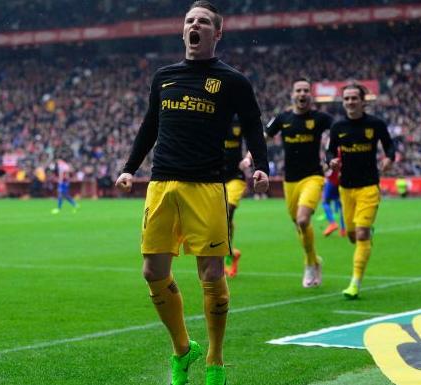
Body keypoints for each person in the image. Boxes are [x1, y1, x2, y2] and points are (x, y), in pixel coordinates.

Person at [115, 2, 269, 384]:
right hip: (162, 183)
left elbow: (253, 124)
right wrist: (128, 168)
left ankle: (215, 361)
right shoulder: (164, 77)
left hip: (206, 185)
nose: (194, 25)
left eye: (203, 21)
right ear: (182, 31)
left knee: (212, 273)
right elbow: (150, 125)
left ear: (217, 33)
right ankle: (183, 350)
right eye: (189, 20)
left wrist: (262, 165)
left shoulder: (233, 80)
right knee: (152, 271)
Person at [327, 84, 395, 300]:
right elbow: (329, 151)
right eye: (346, 98)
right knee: (352, 236)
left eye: (354, 98)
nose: (350, 102)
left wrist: (388, 159)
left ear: (363, 101)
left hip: (369, 187)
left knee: (362, 233)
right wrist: (332, 161)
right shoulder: (338, 127)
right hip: (346, 188)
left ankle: (355, 283)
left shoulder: (375, 124)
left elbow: (390, 146)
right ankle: (365, 235)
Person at [265, 78, 332, 288]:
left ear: (310, 95)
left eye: (305, 90)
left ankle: (310, 266)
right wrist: (250, 157)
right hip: (290, 181)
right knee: (299, 225)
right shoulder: (283, 118)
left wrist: (332, 156)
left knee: (303, 220)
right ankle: (314, 261)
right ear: (292, 95)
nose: (302, 94)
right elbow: (264, 137)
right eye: (298, 91)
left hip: (313, 176)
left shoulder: (320, 118)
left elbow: (339, 131)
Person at [223, 120, 253, 278]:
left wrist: (248, 158)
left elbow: (255, 139)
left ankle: (227, 257)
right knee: (220, 218)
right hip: (216, 176)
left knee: (228, 211)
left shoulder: (238, 119)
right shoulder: (210, 113)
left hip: (236, 176)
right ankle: (231, 253)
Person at [322, 168, 346, 237]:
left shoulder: (331, 157)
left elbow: (328, 167)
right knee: (341, 206)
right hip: (341, 182)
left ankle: (332, 223)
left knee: (325, 202)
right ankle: (343, 230)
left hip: (332, 181)